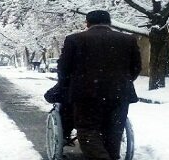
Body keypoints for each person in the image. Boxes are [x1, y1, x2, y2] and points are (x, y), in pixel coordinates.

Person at [57, 10, 141, 160]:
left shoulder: (74, 39)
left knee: (88, 130)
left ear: (87, 23)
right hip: (119, 94)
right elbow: (135, 67)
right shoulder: (128, 40)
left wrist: (69, 84)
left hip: (86, 94)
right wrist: (120, 82)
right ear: (109, 23)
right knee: (114, 132)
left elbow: (64, 68)